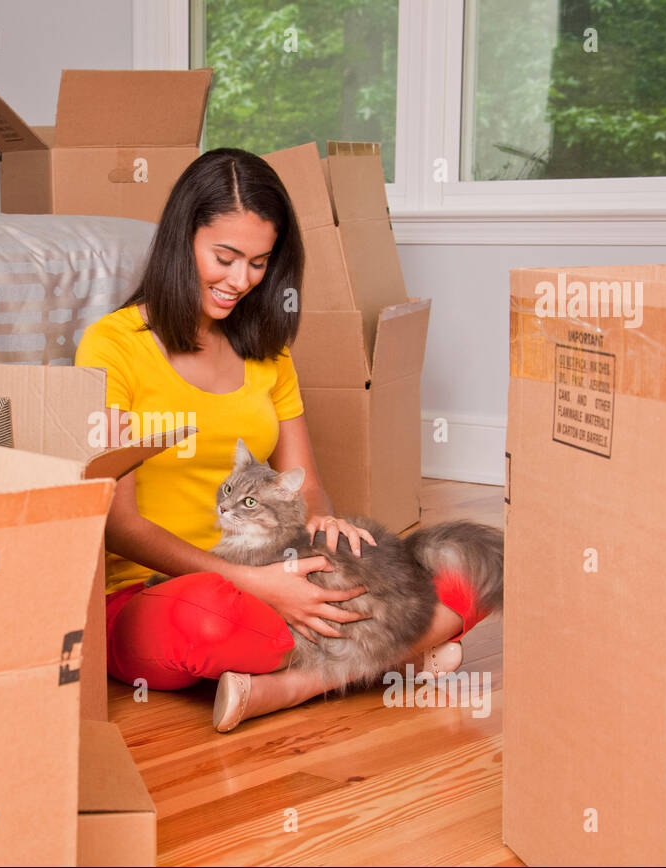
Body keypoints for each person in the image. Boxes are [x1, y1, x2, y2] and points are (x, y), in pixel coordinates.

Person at [74, 148, 488, 732]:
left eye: (259, 263)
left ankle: (295, 684)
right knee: (213, 625)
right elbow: (119, 523)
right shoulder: (112, 346)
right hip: (161, 592)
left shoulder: (267, 351)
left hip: (279, 568)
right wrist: (251, 583)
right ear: (180, 240)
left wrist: (326, 528)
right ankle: (378, 656)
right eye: (224, 257)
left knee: (471, 562)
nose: (240, 281)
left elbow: (307, 486)